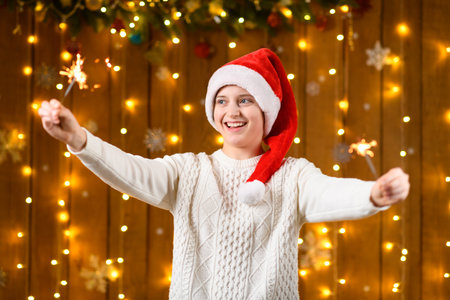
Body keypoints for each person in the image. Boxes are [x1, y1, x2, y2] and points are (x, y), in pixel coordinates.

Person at [39, 48, 410, 299]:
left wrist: (372, 195)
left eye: (245, 100)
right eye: (222, 100)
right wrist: (78, 138)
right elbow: (131, 171)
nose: (232, 111)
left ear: (265, 110)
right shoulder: (189, 171)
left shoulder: (292, 175)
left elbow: (330, 194)